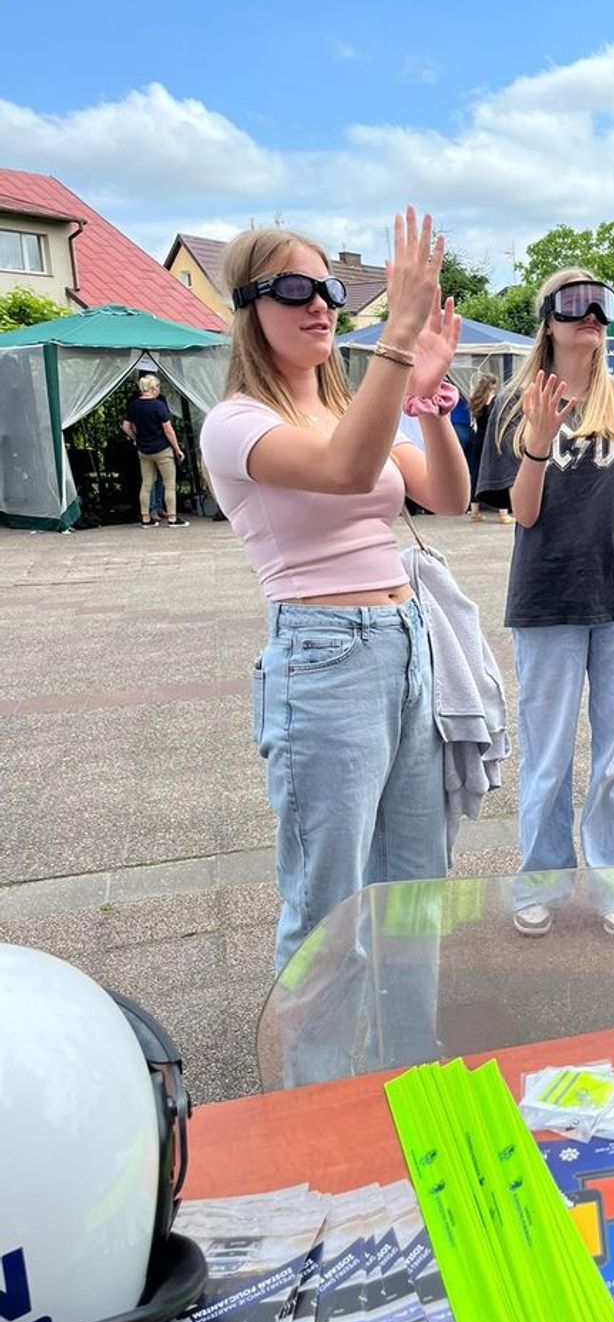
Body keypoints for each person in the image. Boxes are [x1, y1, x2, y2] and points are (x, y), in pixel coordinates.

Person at [200, 209, 470, 973]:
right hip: (324, 657)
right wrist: (397, 335)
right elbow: (346, 470)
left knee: (416, 884)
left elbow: (447, 497)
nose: (320, 303)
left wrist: (425, 402)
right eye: (294, 288)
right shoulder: (236, 422)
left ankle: (405, 1063)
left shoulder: (354, 408)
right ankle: (318, 1087)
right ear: (250, 307)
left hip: (405, 641)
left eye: (331, 287)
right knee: (329, 903)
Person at [475, 269, 614, 937]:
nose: (590, 313)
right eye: (572, 303)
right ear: (548, 320)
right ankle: (542, 877)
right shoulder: (515, 402)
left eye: (602, 303)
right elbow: (523, 514)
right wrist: (537, 439)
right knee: (548, 754)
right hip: (545, 596)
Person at [121, 374, 188, 525]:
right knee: (169, 484)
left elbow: (126, 426)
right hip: (162, 449)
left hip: (144, 450)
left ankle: (145, 518)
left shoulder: (134, 405)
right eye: (158, 386)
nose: (159, 389)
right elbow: (168, 430)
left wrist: (136, 439)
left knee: (146, 484)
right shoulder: (158, 405)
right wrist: (177, 449)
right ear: (153, 388)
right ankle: (172, 517)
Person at [466, 373, 511, 524]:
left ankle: (474, 512)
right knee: (499, 473)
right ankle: (503, 514)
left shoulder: (476, 401)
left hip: (477, 440)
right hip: (490, 441)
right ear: (492, 386)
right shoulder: (496, 401)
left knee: (476, 475)